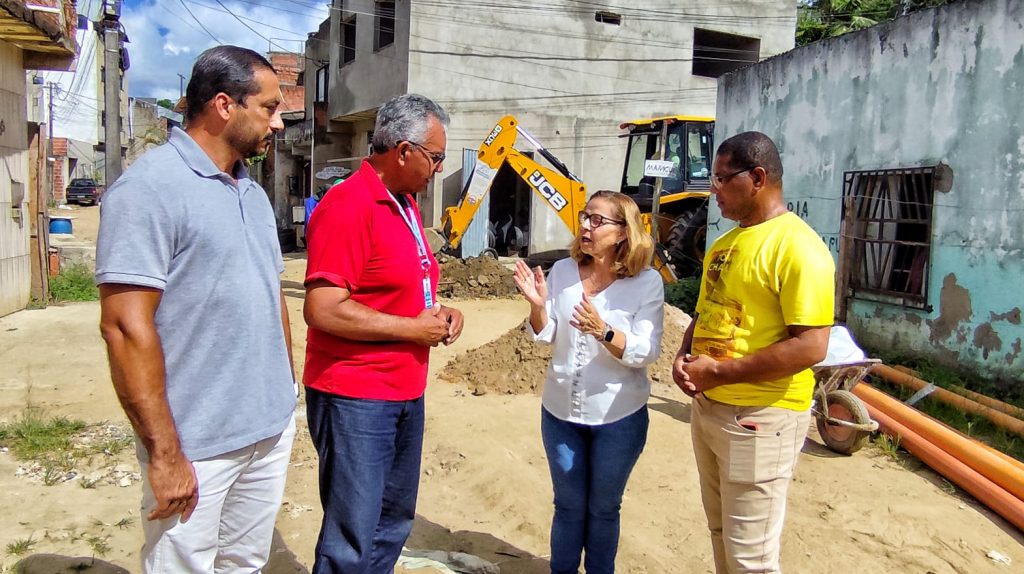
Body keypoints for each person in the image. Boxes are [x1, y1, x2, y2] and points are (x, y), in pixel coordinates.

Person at [95, 45, 297, 572]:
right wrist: (164, 453)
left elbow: (271, 293)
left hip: (267, 430)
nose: (278, 122)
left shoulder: (250, 191)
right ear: (225, 105)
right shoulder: (148, 191)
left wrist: (287, 390)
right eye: (270, 108)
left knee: (245, 564)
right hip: (197, 443)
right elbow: (123, 327)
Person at [302, 93, 464, 573]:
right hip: (356, 394)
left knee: (392, 521)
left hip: (401, 390)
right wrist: (412, 328)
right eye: (435, 157)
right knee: (352, 533)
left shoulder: (405, 204)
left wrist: (440, 313)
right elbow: (324, 308)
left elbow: (398, 287)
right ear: (403, 150)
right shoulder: (349, 204)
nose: (438, 168)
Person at [672, 132, 835, 574]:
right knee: (721, 536)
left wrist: (720, 373)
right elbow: (707, 311)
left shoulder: (798, 248)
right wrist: (683, 355)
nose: (714, 189)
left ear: (758, 177)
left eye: (723, 179)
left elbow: (811, 345)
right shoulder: (724, 246)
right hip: (709, 410)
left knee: (751, 559)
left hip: (761, 418)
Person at [513, 190, 665, 574]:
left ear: (623, 232)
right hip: (561, 413)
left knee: (602, 509)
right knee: (567, 507)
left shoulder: (646, 283)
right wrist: (536, 305)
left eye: (597, 221)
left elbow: (646, 351)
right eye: (584, 217)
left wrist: (605, 332)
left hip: (618, 417)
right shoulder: (563, 271)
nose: (585, 226)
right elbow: (547, 333)